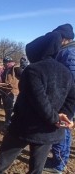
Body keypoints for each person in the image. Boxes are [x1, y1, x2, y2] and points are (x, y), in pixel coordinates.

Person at [0, 31, 75, 174]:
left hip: (24, 126)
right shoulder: (66, 71)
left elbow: (39, 100)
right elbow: (72, 98)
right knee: (36, 169)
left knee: (4, 159)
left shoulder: (33, 70)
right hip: (49, 130)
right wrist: (64, 115)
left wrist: (55, 118)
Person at [43, 23, 75, 174]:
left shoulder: (69, 53)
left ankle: (58, 164)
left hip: (65, 98)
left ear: (64, 38)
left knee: (62, 127)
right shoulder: (64, 51)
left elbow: (70, 80)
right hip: (65, 96)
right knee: (63, 127)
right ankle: (58, 159)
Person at [0, 56, 22, 126]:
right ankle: (7, 121)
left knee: (11, 108)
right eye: (4, 63)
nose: (4, 64)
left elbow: (24, 76)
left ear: (9, 62)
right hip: (5, 91)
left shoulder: (15, 68)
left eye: (5, 62)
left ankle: (11, 123)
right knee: (6, 107)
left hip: (13, 92)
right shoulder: (6, 69)